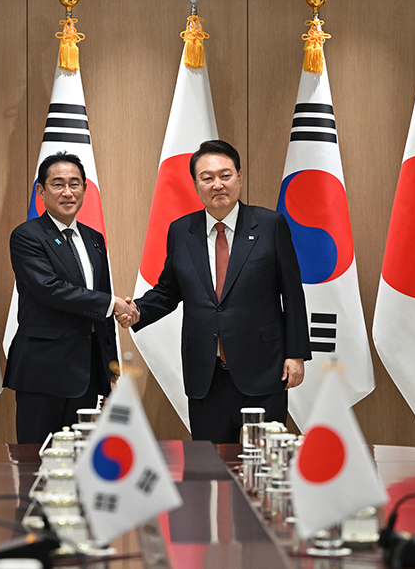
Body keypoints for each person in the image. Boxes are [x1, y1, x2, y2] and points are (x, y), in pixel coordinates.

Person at [126, 140, 310, 443]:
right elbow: (169, 291)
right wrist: (137, 311)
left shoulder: (270, 225)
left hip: (263, 369)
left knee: (263, 462)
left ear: (239, 176)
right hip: (206, 374)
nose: (217, 185)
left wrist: (296, 354)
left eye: (225, 175)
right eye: (207, 178)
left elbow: (291, 294)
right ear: (196, 184)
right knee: (210, 470)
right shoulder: (181, 231)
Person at [4, 152, 138, 443]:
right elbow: (49, 289)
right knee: (36, 461)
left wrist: (111, 370)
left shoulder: (94, 239)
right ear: (41, 191)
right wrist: (111, 303)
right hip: (42, 372)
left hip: (87, 374)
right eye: (58, 184)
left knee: (82, 463)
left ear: (85, 189)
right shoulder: (27, 236)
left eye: (75, 184)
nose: (68, 192)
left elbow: (102, 309)